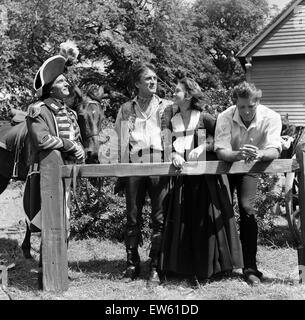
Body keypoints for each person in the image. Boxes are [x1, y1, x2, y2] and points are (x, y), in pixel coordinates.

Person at [160, 77, 244, 284]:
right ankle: (183, 267)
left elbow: (219, 140)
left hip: (206, 181)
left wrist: (203, 147)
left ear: (188, 95)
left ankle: (209, 267)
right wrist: (173, 155)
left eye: (177, 90)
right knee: (183, 220)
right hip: (183, 181)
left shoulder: (205, 118)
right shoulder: (171, 115)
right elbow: (166, 141)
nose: (173, 92)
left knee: (204, 221)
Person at [24, 54, 85, 287]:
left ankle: (58, 266)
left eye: (65, 80)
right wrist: (70, 145)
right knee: (47, 221)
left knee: (65, 221)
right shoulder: (38, 110)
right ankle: (46, 271)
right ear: (50, 88)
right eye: (60, 81)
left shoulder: (69, 113)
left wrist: (78, 149)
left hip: (67, 174)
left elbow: (76, 139)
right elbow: (43, 140)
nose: (66, 83)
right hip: (44, 176)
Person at [214, 81, 282, 286]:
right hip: (227, 166)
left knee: (247, 208)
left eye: (250, 106)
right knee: (220, 210)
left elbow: (275, 149)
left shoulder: (271, 117)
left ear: (258, 102)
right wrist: (236, 154)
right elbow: (221, 150)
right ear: (235, 103)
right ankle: (220, 265)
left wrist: (260, 154)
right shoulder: (225, 116)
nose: (245, 111)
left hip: (252, 166)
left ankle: (250, 268)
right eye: (241, 106)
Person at [114, 62, 173, 284]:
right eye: (148, 79)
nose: (153, 81)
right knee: (132, 216)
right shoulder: (126, 109)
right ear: (137, 83)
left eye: (155, 78)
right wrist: (121, 172)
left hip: (159, 162)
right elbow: (120, 142)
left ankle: (156, 266)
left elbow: (180, 134)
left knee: (159, 217)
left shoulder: (168, 106)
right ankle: (132, 263)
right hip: (134, 163)